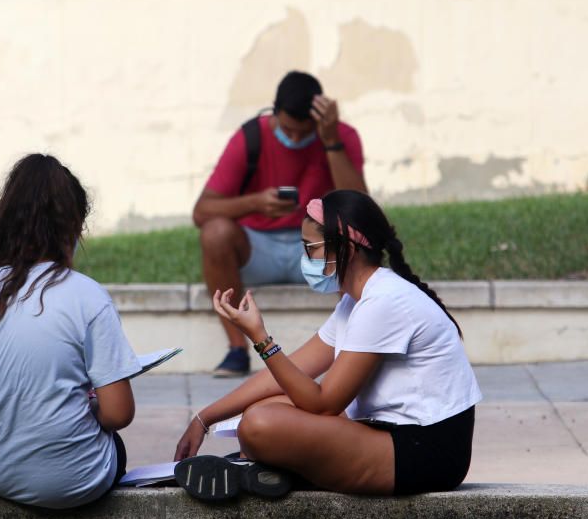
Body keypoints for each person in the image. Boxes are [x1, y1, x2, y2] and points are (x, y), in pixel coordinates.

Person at [173, 190, 482, 500]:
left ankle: (266, 469)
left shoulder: (384, 302)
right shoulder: (354, 303)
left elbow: (324, 403)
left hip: (425, 453)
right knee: (263, 410)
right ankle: (266, 470)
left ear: (347, 247)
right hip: (385, 433)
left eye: (311, 248)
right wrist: (204, 418)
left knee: (260, 424)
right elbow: (289, 373)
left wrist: (260, 339)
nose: (306, 259)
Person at [0, 154, 142, 509]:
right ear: (72, 227)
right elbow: (119, 414)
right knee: (114, 447)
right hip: (72, 482)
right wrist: (80, 405)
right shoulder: (87, 295)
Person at [195, 71, 368, 377]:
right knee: (215, 233)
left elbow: (360, 208)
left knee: (352, 235)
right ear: (274, 111)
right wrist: (255, 202)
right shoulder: (250, 136)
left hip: (318, 249)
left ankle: (356, 346)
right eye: (289, 130)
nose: (297, 138)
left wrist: (330, 142)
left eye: (306, 131)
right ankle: (237, 350)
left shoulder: (342, 136)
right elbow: (202, 211)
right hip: (258, 247)